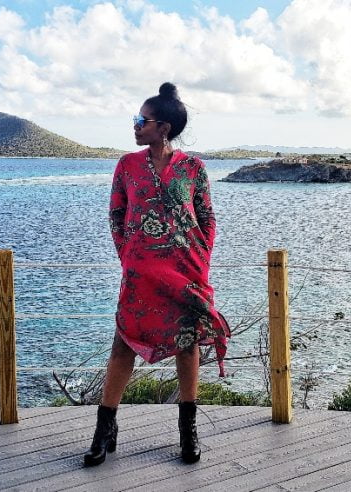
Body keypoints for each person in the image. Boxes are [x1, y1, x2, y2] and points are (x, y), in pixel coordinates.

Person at [83, 82, 230, 467]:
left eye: (141, 120)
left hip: (185, 272)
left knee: (187, 344)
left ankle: (188, 430)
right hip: (140, 274)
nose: (135, 125)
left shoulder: (193, 168)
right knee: (124, 342)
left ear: (163, 128)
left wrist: (200, 262)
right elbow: (116, 216)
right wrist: (129, 259)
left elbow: (207, 218)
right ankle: (104, 429)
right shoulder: (127, 166)